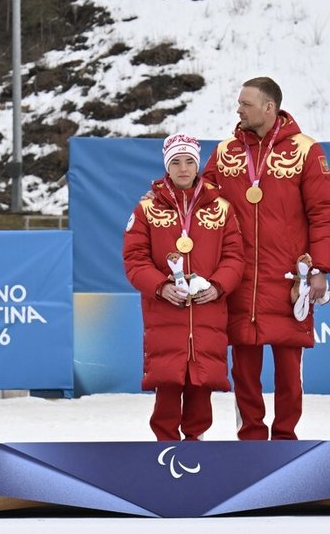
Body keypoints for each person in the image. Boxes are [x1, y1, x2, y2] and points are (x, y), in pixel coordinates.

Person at [202, 77, 330, 440]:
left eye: (245, 104)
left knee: (289, 371)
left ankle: (284, 438)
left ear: (269, 107)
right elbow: (204, 209)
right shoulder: (224, 151)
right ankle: (250, 437)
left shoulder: (306, 151)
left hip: (290, 280)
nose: (238, 110)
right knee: (244, 370)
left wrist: (320, 268)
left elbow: (323, 212)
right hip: (240, 280)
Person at [123, 133, 244, 441]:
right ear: (167, 166)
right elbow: (135, 261)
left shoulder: (222, 209)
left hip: (207, 317)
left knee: (200, 392)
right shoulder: (146, 210)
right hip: (165, 317)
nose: (183, 168)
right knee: (167, 393)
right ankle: (163, 454)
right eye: (175, 162)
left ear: (198, 164)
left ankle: (196, 452)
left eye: (189, 161)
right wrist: (161, 287)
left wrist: (217, 287)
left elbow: (235, 258)